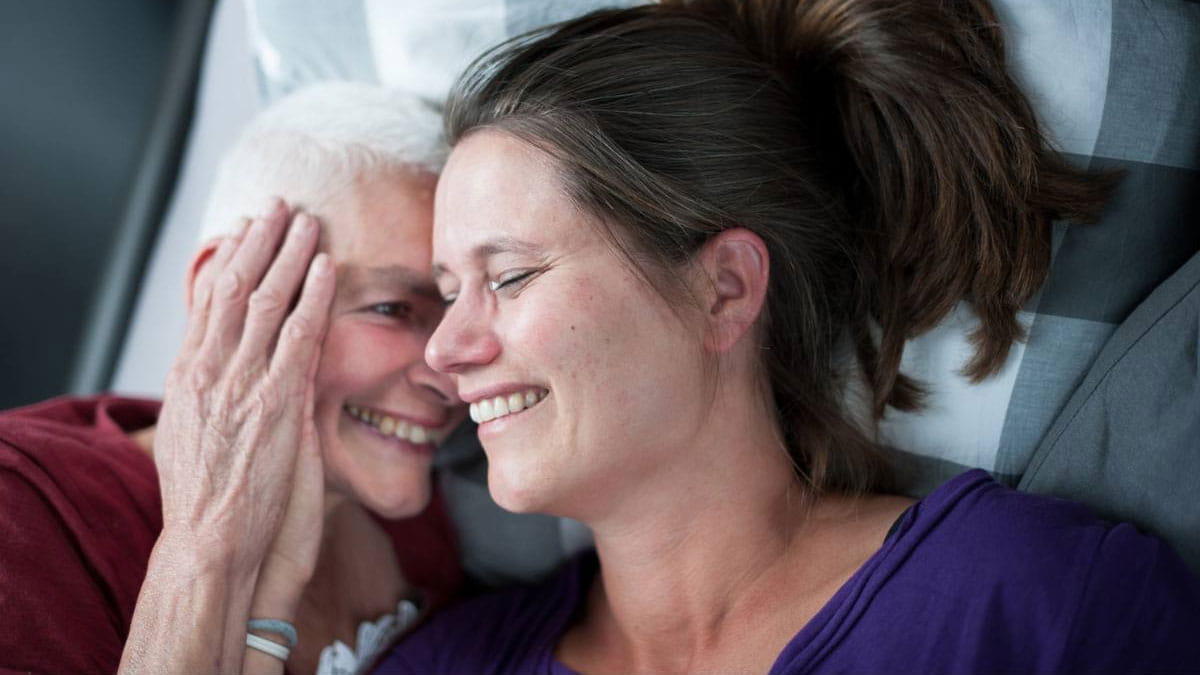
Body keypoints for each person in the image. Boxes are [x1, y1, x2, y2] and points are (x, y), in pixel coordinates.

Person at [364, 0, 1200, 672]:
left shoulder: (1027, 607)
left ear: (723, 288)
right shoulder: (443, 659)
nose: (444, 349)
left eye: (509, 277)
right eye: (445, 294)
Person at [0, 82, 464, 675]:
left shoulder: (425, 513)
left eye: (458, 309)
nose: (450, 376)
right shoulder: (24, 516)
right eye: (393, 308)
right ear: (225, 287)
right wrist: (206, 553)